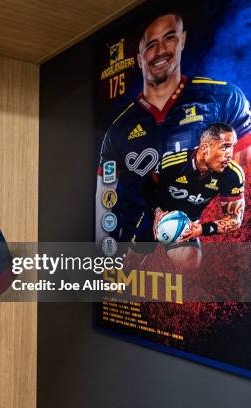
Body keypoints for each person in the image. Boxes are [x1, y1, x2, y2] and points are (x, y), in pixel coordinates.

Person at [96, 10, 251, 244]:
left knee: (188, 261)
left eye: (169, 37)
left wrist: (203, 228)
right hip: (138, 232)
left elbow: (243, 176)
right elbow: (105, 196)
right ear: (139, 58)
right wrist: (101, 248)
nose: (160, 51)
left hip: (193, 227)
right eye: (150, 45)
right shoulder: (119, 129)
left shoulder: (223, 98)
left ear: (183, 40)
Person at [131, 123, 245, 270]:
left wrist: (201, 229)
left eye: (232, 147)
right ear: (205, 148)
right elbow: (147, 188)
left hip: (187, 226)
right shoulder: (173, 163)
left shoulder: (233, 174)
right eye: (224, 147)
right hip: (155, 217)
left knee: (191, 265)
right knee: (131, 262)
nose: (230, 154)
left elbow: (235, 219)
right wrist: (157, 211)